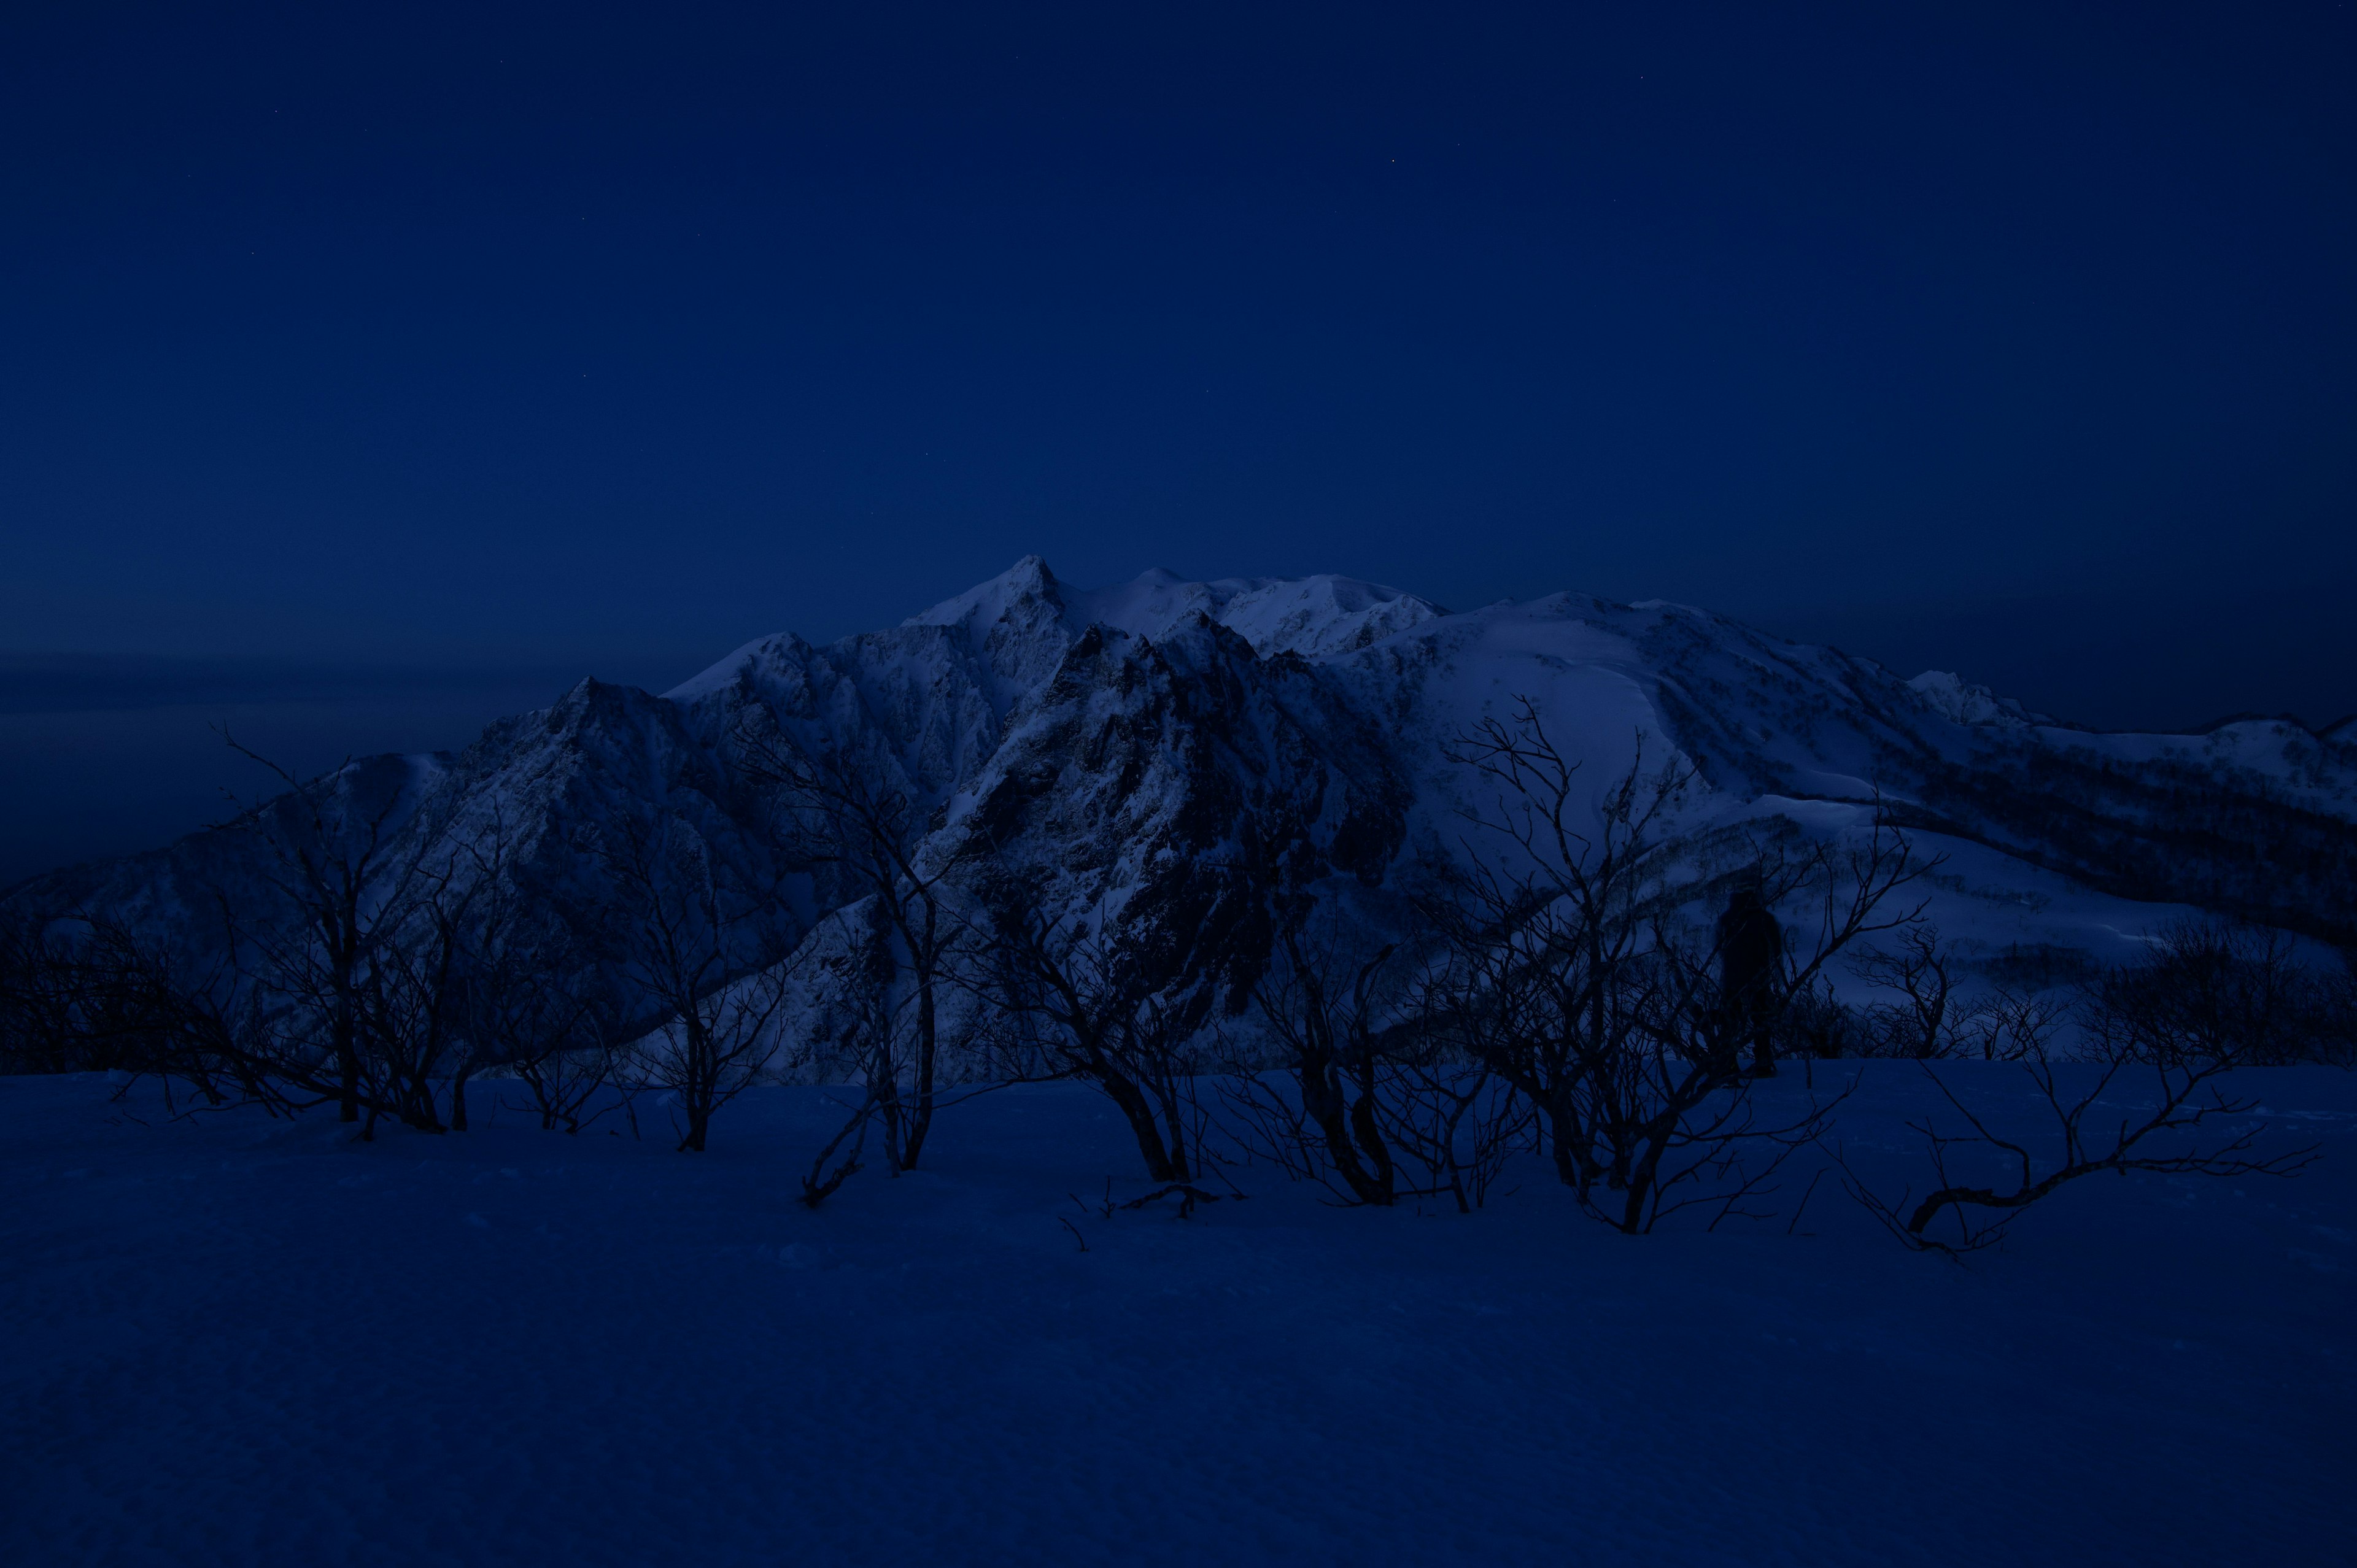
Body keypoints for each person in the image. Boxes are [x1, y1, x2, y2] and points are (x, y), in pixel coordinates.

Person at [1717, 869, 1785, 1078]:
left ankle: (1727, 1063)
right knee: (1761, 1021)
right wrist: (1778, 977)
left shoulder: (1727, 919)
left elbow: (1719, 950)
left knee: (1730, 1022)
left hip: (1732, 979)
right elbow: (1777, 951)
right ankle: (1763, 1062)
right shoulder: (1765, 918)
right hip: (1759, 977)